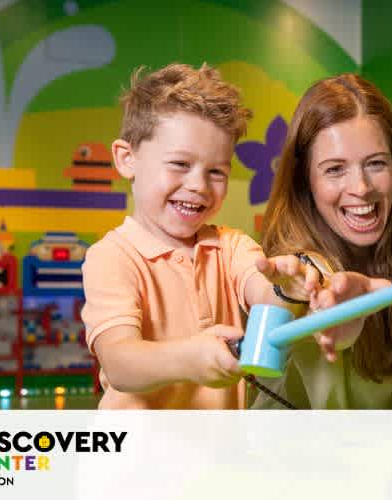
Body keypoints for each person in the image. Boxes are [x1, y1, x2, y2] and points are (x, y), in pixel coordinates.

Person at [80, 63, 357, 409]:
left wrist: (290, 288)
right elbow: (120, 363)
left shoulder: (232, 246)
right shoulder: (112, 256)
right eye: (180, 164)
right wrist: (191, 359)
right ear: (126, 159)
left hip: (218, 457)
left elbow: (266, 297)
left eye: (216, 172)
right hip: (137, 460)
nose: (198, 185)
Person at [251, 73, 392, 409]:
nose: (361, 187)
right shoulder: (297, 267)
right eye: (335, 169)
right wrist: (333, 312)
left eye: (375, 164)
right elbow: (299, 295)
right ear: (306, 183)